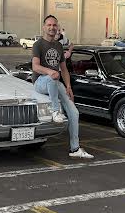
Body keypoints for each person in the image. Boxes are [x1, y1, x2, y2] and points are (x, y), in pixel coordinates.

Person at [32, 15, 93, 159]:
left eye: (54, 25)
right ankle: (55, 111)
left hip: (55, 81)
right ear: (44, 27)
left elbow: (64, 69)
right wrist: (50, 72)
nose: (52, 28)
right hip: (40, 82)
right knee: (53, 76)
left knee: (74, 113)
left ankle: (75, 148)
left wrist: (69, 87)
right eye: (49, 25)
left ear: (57, 27)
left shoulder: (58, 46)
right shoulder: (38, 45)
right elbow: (35, 66)